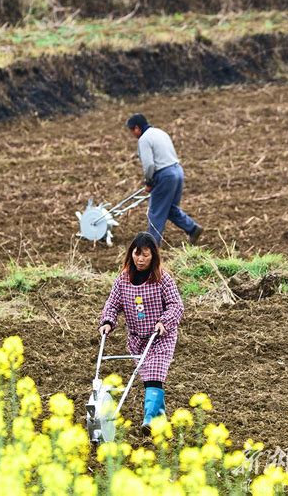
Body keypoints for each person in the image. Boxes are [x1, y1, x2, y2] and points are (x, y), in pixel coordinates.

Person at [98, 232, 184, 434]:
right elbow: (113, 303)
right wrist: (108, 321)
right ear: (131, 255)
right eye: (137, 254)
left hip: (160, 337)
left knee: (154, 375)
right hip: (137, 339)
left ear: (153, 256)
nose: (141, 259)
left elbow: (176, 305)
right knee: (148, 378)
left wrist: (164, 322)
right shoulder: (123, 280)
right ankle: (159, 418)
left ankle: (150, 421)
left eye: (145, 255)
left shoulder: (162, 279)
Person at [126, 113, 203, 246]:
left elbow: (149, 164)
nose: (133, 134)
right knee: (169, 208)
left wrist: (149, 182)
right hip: (177, 171)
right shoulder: (160, 132)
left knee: (155, 211)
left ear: (137, 128)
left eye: (132, 130)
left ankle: (152, 245)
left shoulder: (144, 139)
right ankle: (193, 228)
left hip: (165, 175)